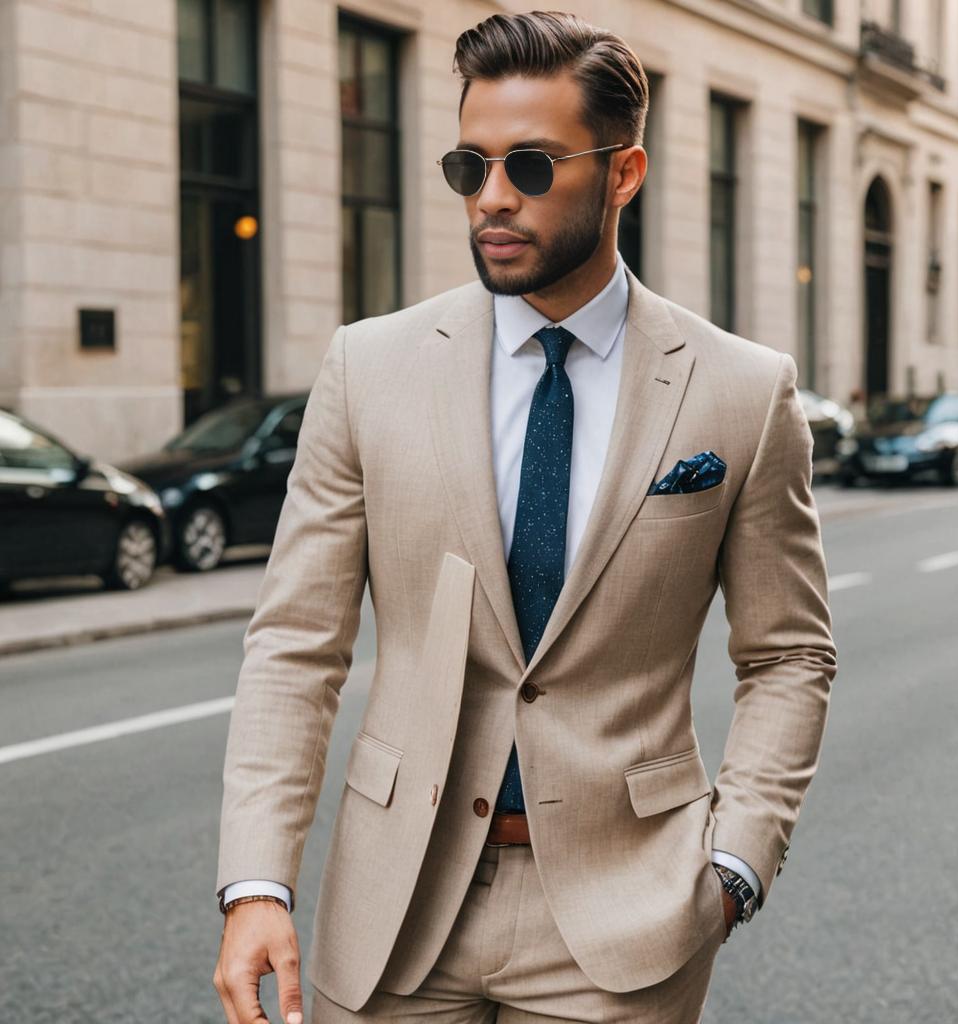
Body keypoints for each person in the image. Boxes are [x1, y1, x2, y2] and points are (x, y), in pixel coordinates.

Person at [213, 11, 837, 1024]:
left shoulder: (739, 389)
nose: (493, 198)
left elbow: (788, 655)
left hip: (627, 915)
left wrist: (733, 864)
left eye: (533, 167)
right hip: (396, 908)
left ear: (622, 173)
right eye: (471, 166)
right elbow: (294, 645)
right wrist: (255, 884)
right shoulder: (366, 369)